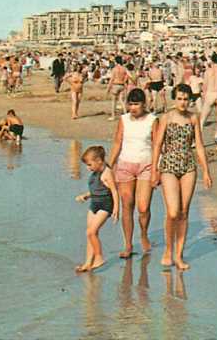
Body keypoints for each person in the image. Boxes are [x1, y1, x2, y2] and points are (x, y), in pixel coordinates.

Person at [151, 83, 212, 270]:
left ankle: (179, 254)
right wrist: (154, 170)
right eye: (179, 98)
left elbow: (199, 146)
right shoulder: (166, 117)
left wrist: (206, 171)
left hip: (188, 166)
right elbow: (158, 144)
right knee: (173, 212)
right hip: (169, 164)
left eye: (186, 99)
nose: (183, 102)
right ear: (174, 98)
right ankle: (168, 250)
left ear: (190, 100)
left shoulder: (194, 118)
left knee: (184, 211)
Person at [109, 89, 158, 258]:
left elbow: (157, 145)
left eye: (136, 104)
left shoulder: (152, 120)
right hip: (125, 164)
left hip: (146, 165)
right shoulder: (123, 119)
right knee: (127, 204)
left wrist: (156, 170)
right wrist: (110, 165)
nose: (133, 108)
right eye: (130, 104)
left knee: (143, 207)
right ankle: (128, 244)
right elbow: (117, 142)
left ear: (144, 104)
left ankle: (143, 233)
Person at [74, 145, 119, 273]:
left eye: (89, 165)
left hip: (105, 205)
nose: (88, 168)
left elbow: (114, 191)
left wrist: (116, 208)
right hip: (94, 203)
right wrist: (86, 195)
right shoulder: (95, 173)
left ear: (99, 161)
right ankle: (88, 263)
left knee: (91, 232)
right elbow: (95, 189)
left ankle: (99, 257)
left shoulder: (107, 173)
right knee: (90, 233)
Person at [107, 56, 129, 120]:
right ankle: (125, 113)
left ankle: (113, 116)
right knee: (121, 100)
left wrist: (108, 88)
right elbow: (127, 76)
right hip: (122, 85)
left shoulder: (114, 69)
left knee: (114, 101)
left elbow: (112, 79)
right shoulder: (124, 68)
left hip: (115, 85)